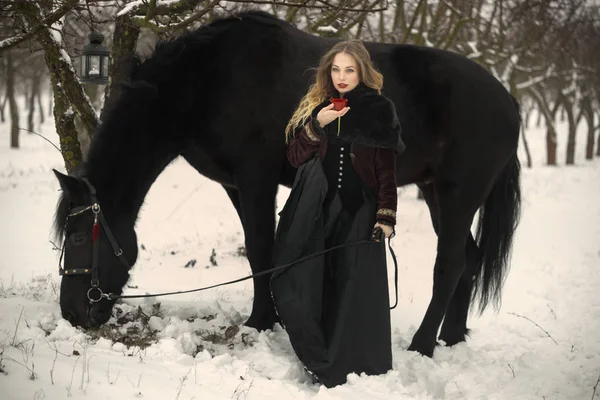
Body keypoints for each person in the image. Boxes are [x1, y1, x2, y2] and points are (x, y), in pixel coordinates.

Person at [270, 39, 404, 388]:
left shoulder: (380, 110)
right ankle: (319, 354)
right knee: (302, 278)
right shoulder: (318, 106)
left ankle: (357, 364)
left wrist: (385, 215)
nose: (341, 77)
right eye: (335, 69)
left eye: (349, 70)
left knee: (352, 285)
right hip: (318, 207)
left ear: (362, 72)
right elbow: (294, 157)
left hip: (360, 209)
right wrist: (318, 124)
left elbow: (387, 170)